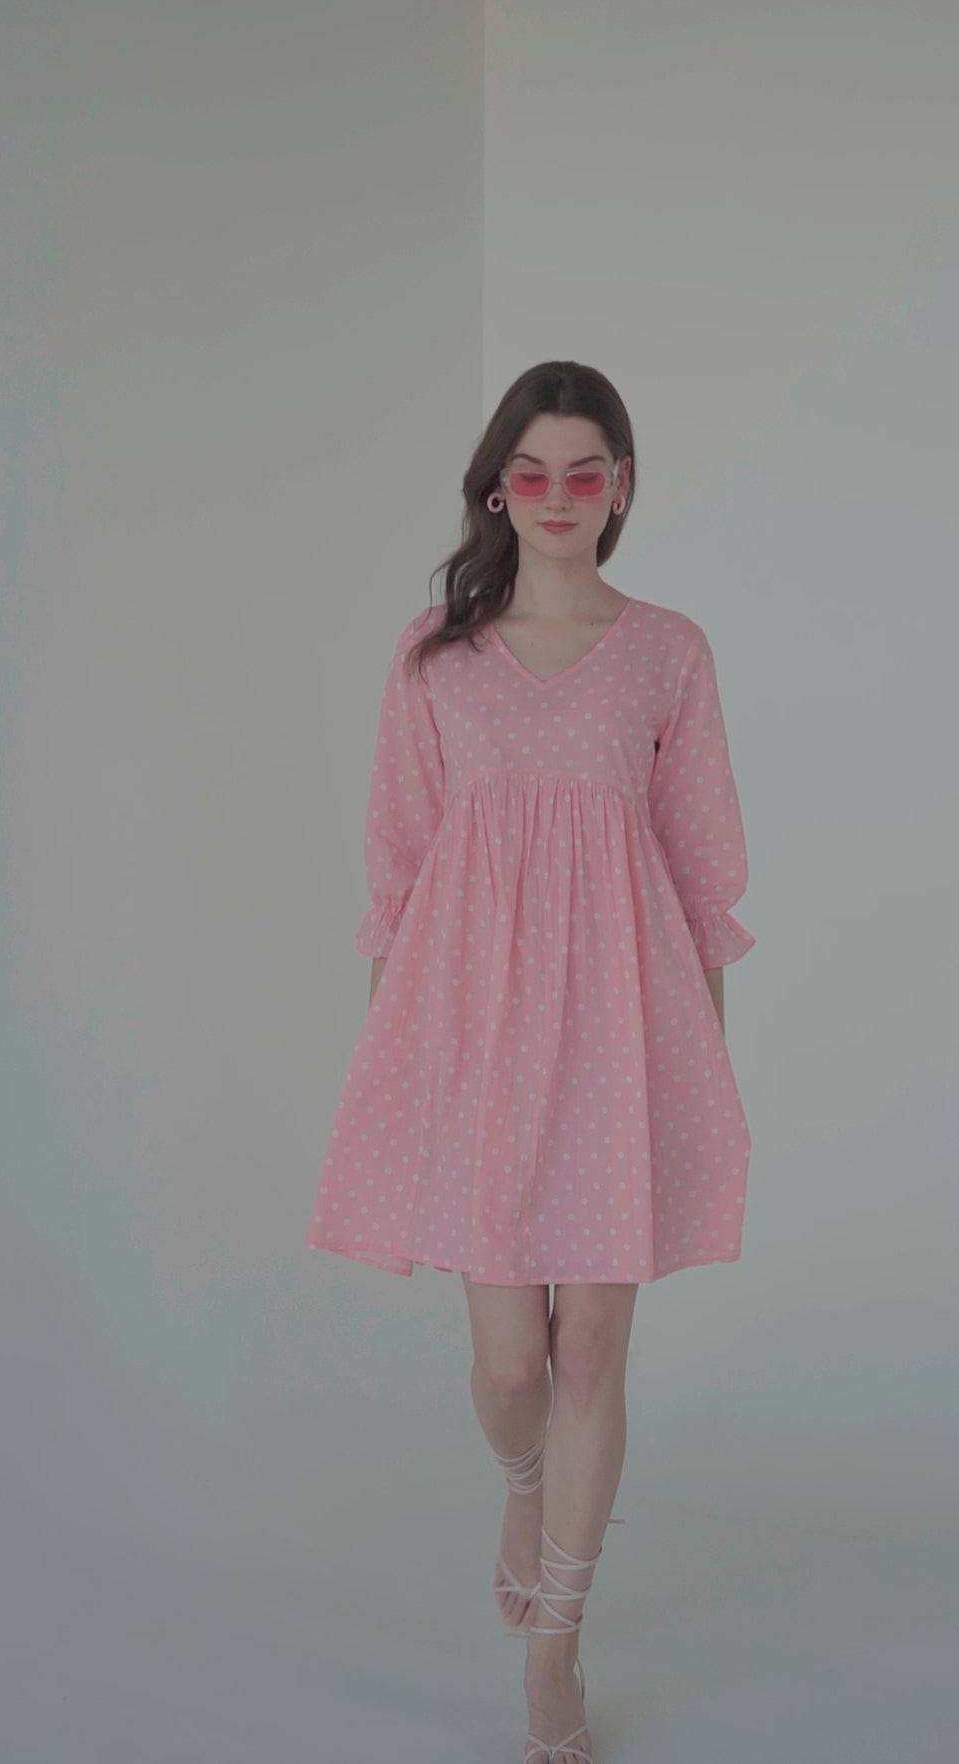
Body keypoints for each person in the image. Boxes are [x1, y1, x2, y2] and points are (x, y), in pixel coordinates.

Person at [305, 360, 756, 1764]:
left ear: (620, 487)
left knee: (592, 1346)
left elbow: (699, 874)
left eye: (587, 471)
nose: (560, 496)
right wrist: (394, 1057)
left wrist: (703, 1065)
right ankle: (523, 1486)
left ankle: (557, 1648)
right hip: (474, 1038)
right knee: (511, 1365)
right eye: (534, 471)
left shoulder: (670, 651)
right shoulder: (436, 652)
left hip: (624, 1033)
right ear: (499, 489)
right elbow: (399, 866)